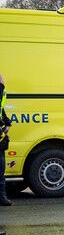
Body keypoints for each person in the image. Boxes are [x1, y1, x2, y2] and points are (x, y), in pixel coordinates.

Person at [0, 74, 11, 206]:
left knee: (1, 168)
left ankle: (2, 197)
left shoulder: (2, 92)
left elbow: (1, 110)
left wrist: (7, 122)